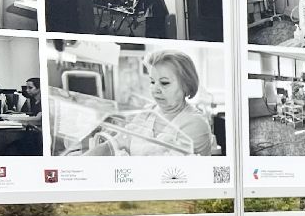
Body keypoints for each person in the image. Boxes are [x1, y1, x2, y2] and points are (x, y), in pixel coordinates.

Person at [78, 51, 213, 156]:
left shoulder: (196, 124)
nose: (155, 89)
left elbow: (169, 175)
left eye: (164, 83)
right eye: (152, 81)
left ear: (186, 85)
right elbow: (117, 143)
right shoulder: (149, 112)